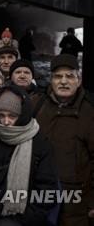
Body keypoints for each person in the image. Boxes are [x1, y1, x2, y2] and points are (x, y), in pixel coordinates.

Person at [0, 85, 58, 226]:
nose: (6, 122)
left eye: (12, 116)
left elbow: (47, 190)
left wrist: (20, 219)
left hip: (21, 219)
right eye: (1, 115)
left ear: (22, 115)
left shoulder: (39, 143)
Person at [35, 54, 94, 225]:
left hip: (77, 205)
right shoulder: (37, 105)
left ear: (79, 80)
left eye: (69, 76)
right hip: (41, 198)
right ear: (51, 80)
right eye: (58, 76)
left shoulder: (90, 111)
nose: (63, 81)